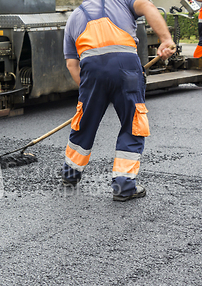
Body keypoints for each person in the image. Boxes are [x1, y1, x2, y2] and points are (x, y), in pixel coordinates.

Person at [61, 0, 175, 201]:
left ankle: (70, 174)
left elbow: (72, 64)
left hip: (91, 71)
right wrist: (165, 39)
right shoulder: (123, 1)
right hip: (126, 67)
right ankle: (123, 186)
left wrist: (90, 94)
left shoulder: (74, 17)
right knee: (133, 123)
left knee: (84, 122)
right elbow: (148, 7)